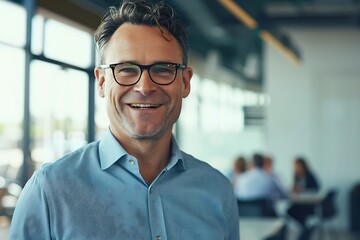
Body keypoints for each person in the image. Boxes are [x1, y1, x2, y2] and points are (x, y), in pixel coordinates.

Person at [9, 1, 239, 239]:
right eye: (127, 69)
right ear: (101, 81)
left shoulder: (217, 191)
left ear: (185, 82)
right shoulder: (50, 191)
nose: (145, 86)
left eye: (163, 69)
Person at [287, 157, 320, 240]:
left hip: (309, 203)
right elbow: (295, 189)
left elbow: (316, 188)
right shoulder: (296, 175)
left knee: (298, 211)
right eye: (295, 166)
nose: (296, 167)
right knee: (289, 211)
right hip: (299, 203)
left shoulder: (310, 175)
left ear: (303, 166)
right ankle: (306, 228)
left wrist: (302, 190)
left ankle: (306, 229)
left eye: (298, 165)